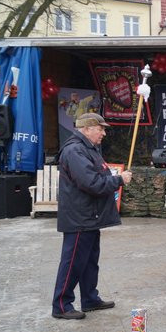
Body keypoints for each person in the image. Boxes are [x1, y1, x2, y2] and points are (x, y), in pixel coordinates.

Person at [52, 113, 132, 320]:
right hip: (80, 217)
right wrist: (119, 180)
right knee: (73, 262)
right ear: (86, 129)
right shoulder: (75, 151)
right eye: (100, 129)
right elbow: (91, 183)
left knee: (88, 261)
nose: (104, 133)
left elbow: (98, 176)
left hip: (88, 215)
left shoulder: (87, 149)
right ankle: (61, 304)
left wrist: (114, 179)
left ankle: (89, 298)